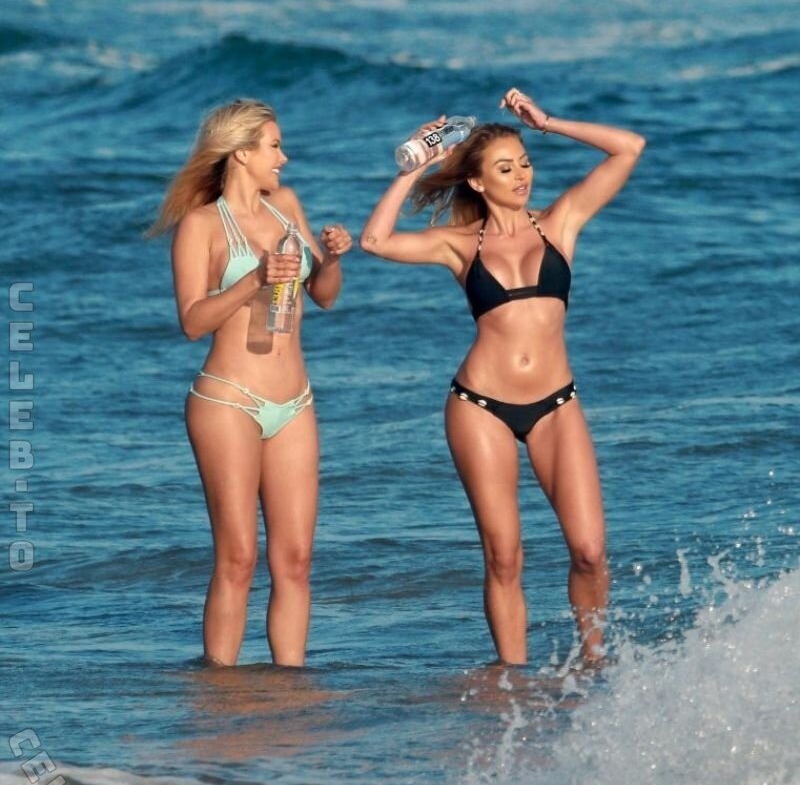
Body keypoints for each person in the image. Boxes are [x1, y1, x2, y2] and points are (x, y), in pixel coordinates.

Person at [360, 89, 645, 666]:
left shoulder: (560, 223)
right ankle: (512, 679)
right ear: (477, 181)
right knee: (505, 557)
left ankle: (594, 666)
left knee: (590, 551)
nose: (521, 177)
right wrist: (416, 166)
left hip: (557, 404)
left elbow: (629, 147)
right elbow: (374, 241)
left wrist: (548, 122)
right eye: (505, 168)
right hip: (480, 407)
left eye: (525, 163)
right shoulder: (458, 245)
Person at [148, 98, 352, 667]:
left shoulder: (286, 207)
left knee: (295, 562)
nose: (283, 158)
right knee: (237, 559)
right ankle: (219, 692)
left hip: (295, 402)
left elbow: (324, 296)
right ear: (240, 153)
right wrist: (254, 279)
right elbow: (192, 321)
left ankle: (291, 690)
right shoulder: (201, 225)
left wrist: (333, 260)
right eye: (274, 146)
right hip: (226, 400)